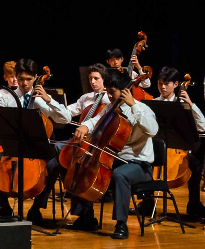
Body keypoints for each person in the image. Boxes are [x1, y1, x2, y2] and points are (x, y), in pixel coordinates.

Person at [64, 68, 157, 238]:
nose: (109, 96)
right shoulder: (111, 108)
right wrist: (85, 126)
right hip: (115, 159)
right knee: (82, 167)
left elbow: (152, 130)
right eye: (107, 91)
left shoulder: (143, 109)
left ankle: (122, 225)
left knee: (120, 175)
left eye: (112, 92)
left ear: (125, 92)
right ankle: (87, 217)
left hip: (138, 165)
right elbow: (96, 120)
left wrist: (133, 105)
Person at [0, 59, 72, 223]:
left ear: (35, 77)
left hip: (37, 151)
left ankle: (36, 209)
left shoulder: (41, 100)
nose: (24, 83)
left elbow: (66, 118)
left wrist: (49, 100)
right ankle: (3, 208)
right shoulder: (9, 98)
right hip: (13, 150)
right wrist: (4, 121)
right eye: (21, 79)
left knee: (54, 165)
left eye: (28, 79)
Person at [153, 65, 205, 218]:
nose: (163, 87)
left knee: (196, 166)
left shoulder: (184, 104)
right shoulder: (154, 103)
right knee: (145, 162)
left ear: (176, 84)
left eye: (167, 84)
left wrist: (191, 105)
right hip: (159, 149)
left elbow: (203, 126)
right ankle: (147, 203)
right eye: (160, 83)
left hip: (179, 149)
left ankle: (194, 204)